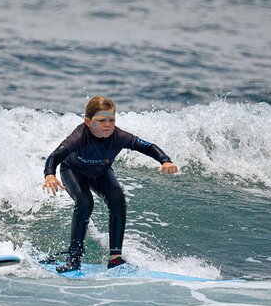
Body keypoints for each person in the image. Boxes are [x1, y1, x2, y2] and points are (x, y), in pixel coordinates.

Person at [42, 96, 178, 272]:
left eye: (111, 120)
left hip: (100, 171)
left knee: (117, 200)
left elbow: (148, 146)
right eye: (101, 120)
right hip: (73, 171)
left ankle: (115, 258)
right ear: (88, 122)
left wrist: (165, 161)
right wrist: (50, 175)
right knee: (85, 203)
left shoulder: (119, 136)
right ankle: (74, 258)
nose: (107, 124)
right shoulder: (79, 136)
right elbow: (55, 156)